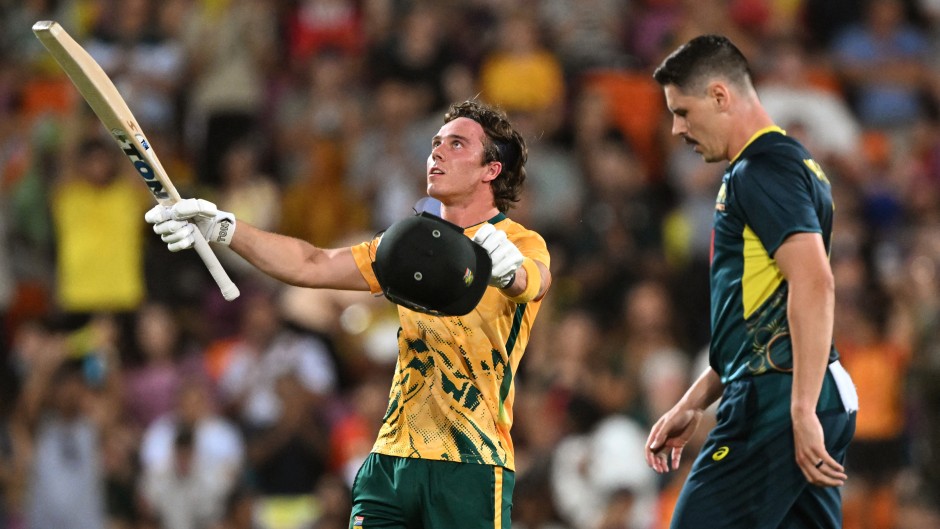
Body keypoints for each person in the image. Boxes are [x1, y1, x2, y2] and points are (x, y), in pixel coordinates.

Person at [144, 100, 552, 529]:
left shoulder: (521, 242)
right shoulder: (412, 244)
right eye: (435, 143)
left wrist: (510, 275)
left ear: (491, 170)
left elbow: (535, 280)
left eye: (456, 144)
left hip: (471, 462)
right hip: (391, 459)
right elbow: (312, 263)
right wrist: (225, 228)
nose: (436, 153)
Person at [643, 35, 858, 528]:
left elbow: (814, 282)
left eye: (682, 111)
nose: (676, 129)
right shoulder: (790, 163)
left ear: (720, 96)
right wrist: (693, 402)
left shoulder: (761, 170)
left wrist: (800, 410)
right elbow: (762, 311)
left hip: (775, 403)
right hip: (797, 390)